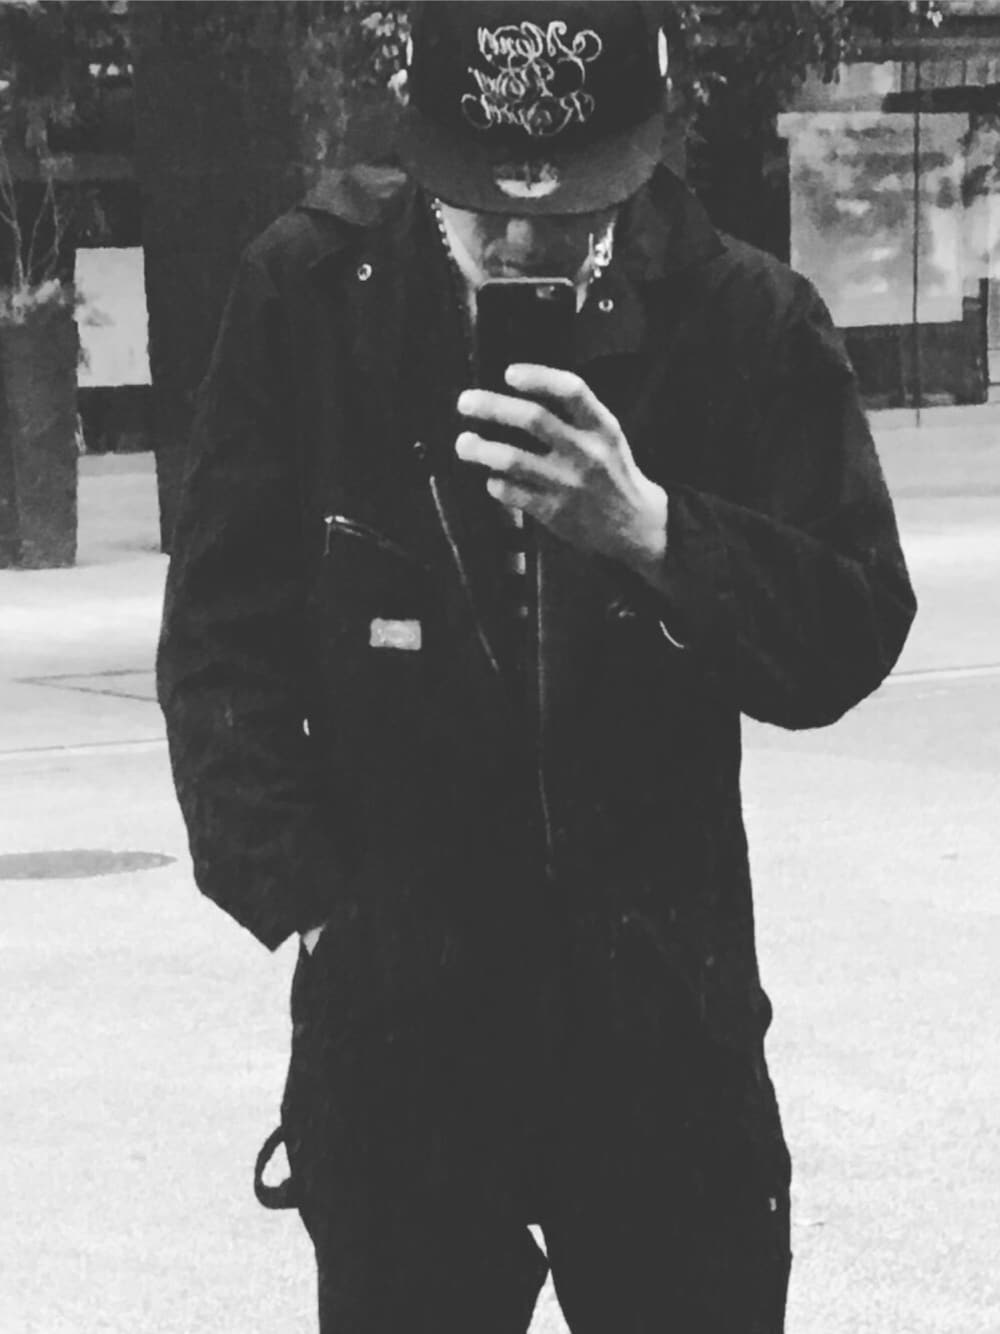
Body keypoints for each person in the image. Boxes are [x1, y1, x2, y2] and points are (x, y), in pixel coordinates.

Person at [156, 4, 917, 1331]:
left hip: (660, 1022)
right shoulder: (312, 296)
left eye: (565, 214)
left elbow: (851, 622)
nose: (519, 242)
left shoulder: (742, 317)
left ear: (639, 158)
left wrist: (652, 529)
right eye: (485, 206)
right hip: (402, 1028)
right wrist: (316, 904)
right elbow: (223, 637)